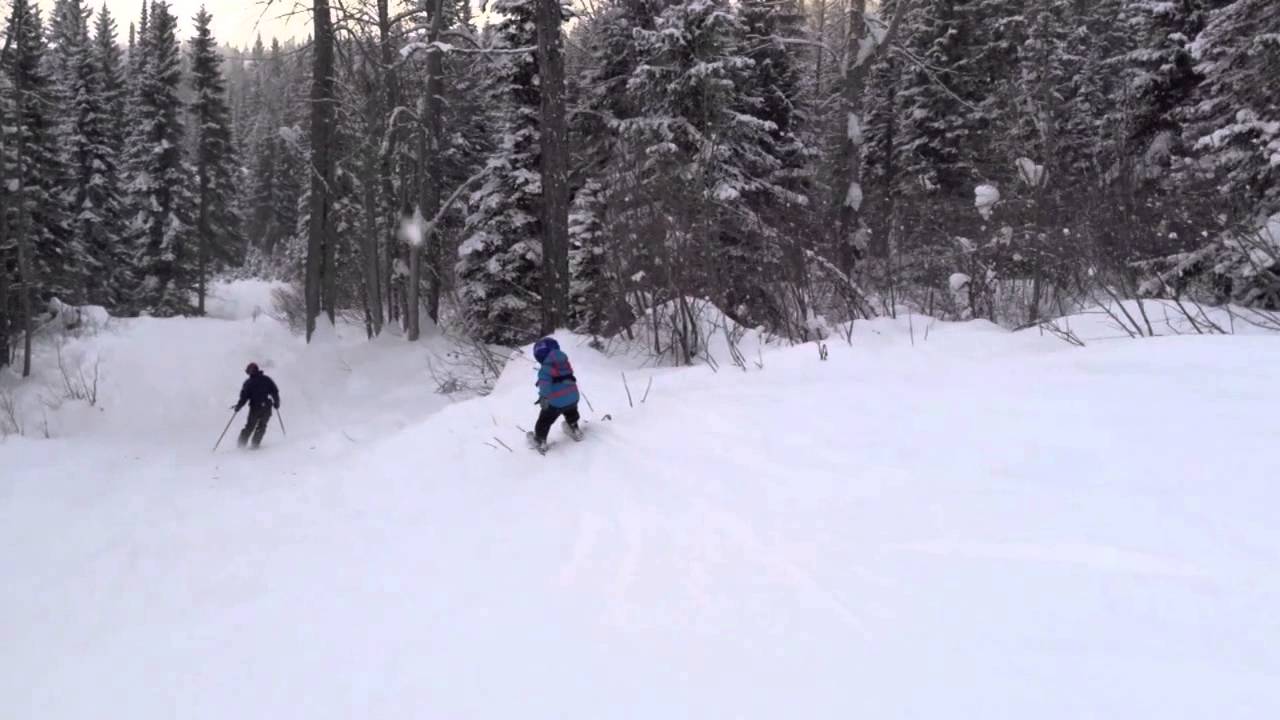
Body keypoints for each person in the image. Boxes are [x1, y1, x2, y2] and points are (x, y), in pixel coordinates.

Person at [531, 337, 582, 450]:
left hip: (556, 402)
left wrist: (543, 397)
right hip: (573, 397)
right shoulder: (565, 363)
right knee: (571, 412)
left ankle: (540, 440)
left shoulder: (544, 370)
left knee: (544, 421)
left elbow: (545, 387)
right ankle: (574, 428)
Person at [233, 362, 280, 449]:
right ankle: (253, 444)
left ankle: (242, 445)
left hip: (257, 408)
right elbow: (274, 391)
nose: (249, 372)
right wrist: (276, 402)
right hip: (264, 407)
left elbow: (244, 398)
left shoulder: (249, 383)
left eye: (249, 371)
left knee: (251, 426)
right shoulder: (266, 379)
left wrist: (238, 406)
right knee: (261, 426)